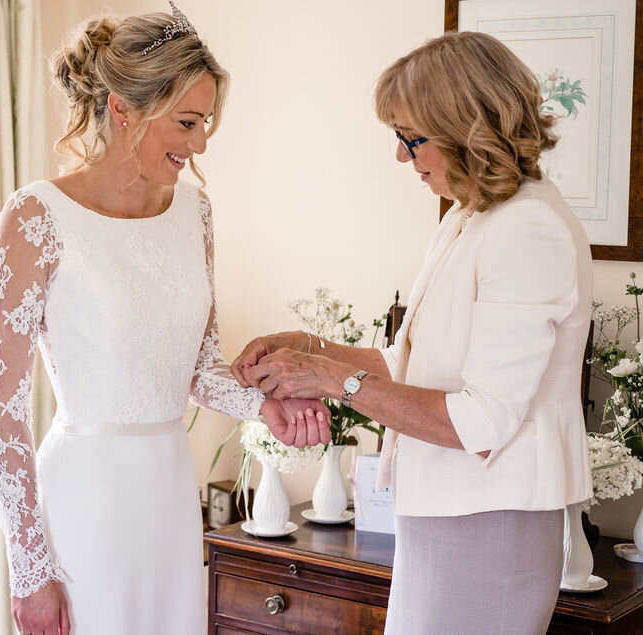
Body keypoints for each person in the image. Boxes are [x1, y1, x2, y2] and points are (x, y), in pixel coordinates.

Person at [0, 1, 330, 635]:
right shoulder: (35, 216)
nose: (200, 144)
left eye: (206, 124)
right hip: (85, 497)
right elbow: (4, 410)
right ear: (123, 108)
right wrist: (31, 569)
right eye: (187, 122)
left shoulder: (193, 212)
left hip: (169, 491)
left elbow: (197, 368)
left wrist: (264, 407)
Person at [232, 31, 593, 634]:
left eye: (411, 138)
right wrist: (309, 347)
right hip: (445, 515)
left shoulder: (529, 228)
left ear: (464, 127)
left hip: (490, 522)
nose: (402, 156)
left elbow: (480, 421)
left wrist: (328, 378)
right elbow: (411, 368)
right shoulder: (468, 215)